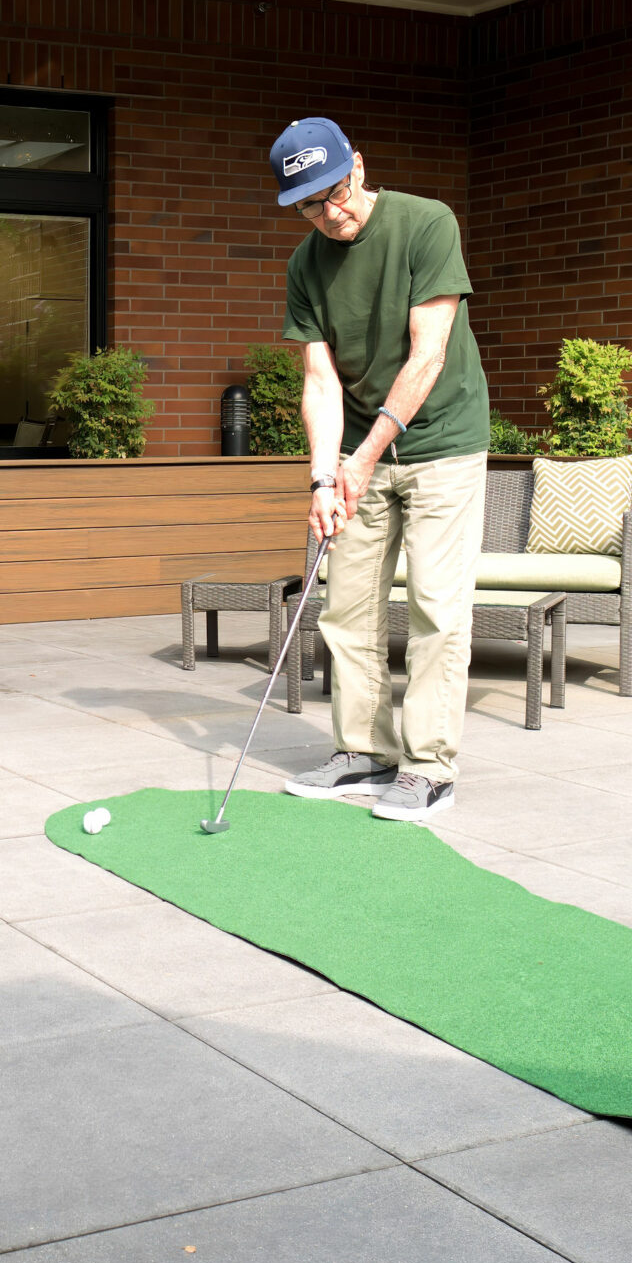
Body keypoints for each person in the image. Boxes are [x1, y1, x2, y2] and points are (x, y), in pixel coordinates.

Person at [269, 117, 489, 825]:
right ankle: (363, 752)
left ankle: (429, 768)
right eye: (310, 203)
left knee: (434, 605)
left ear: (358, 167)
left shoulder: (426, 224)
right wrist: (322, 477)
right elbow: (320, 382)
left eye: (337, 191)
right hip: (361, 443)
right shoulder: (306, 265)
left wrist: (361, 459)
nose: (331, 213)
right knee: (347, 603)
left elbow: (427, 355)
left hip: (443, 439)